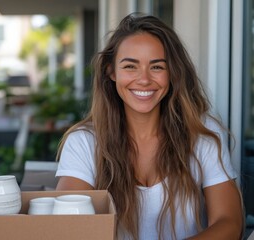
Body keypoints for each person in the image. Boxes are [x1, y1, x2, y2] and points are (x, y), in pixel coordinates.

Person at [55, 13, 243, 240]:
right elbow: (68, 228)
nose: (144, 79)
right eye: (130, 66)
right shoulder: (83, 142)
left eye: (157, 67)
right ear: (111, 71)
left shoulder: (202, 132)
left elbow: (230, 223)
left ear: (173, 72)